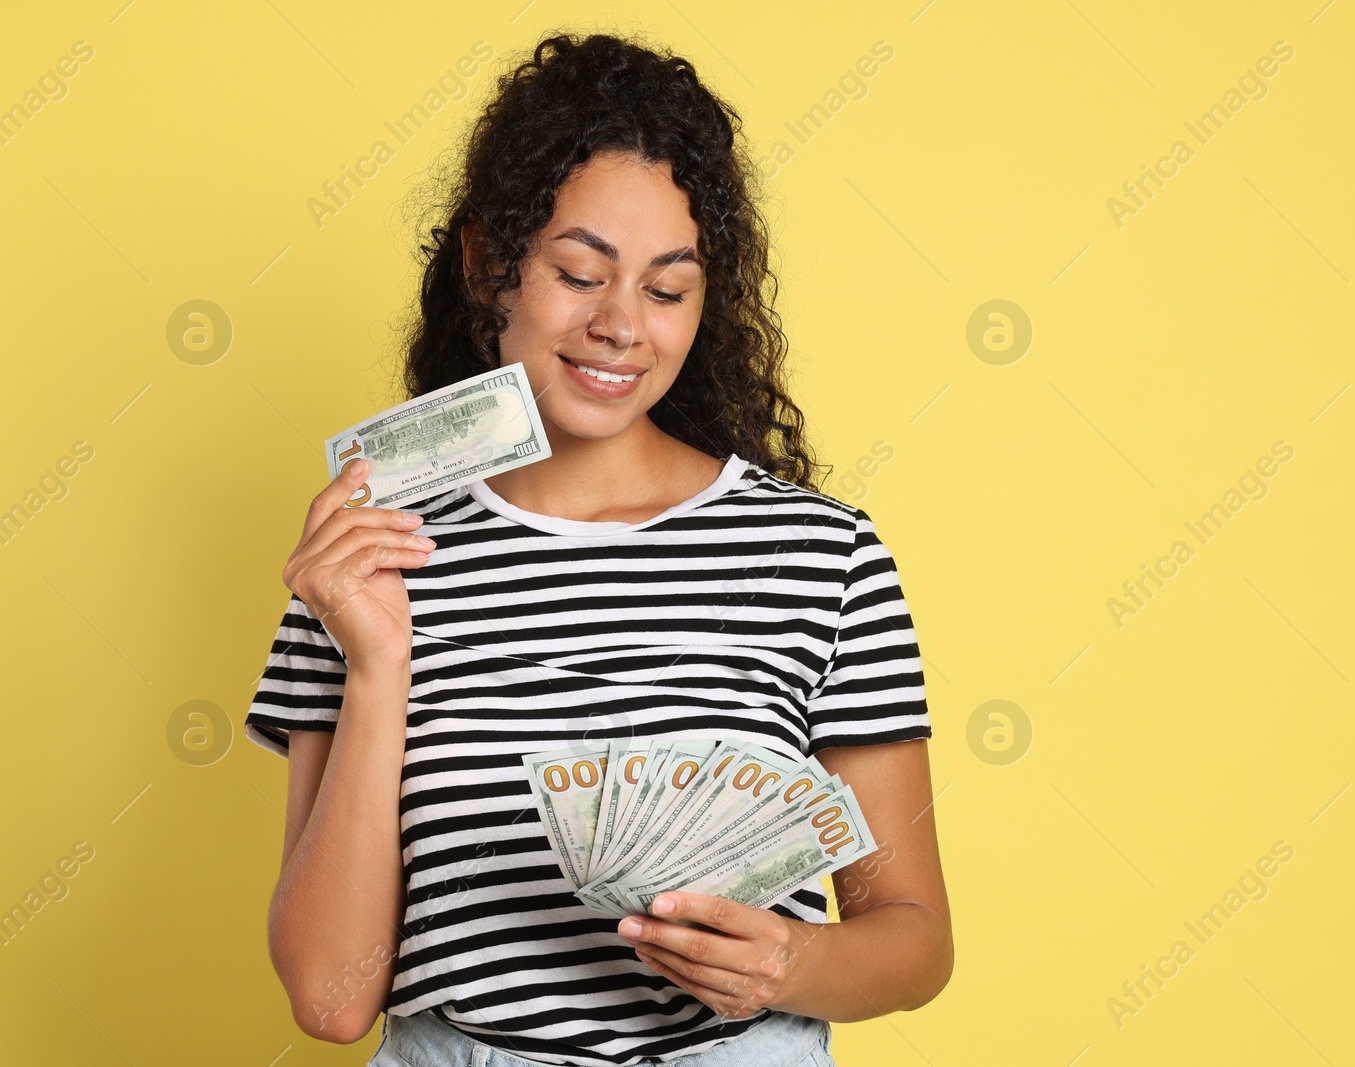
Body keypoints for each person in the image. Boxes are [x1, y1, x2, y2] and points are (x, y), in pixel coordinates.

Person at [244, 30, 953, 1067]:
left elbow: (915, 937)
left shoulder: (821, 554)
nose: (622, 325)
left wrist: (785, 963)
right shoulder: (368, 554)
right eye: (580, 273)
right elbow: (328, 997)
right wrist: (379, 658)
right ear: (489, 263)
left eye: (667, 290)